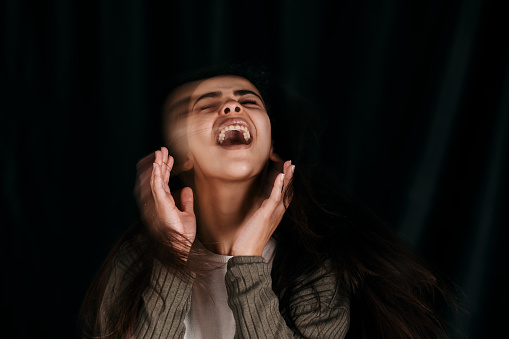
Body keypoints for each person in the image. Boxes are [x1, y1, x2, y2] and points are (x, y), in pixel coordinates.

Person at [80, 63, 456, 338]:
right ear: (180, 154)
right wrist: (174, 253)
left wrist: (246, 263)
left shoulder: (311, 269)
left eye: (247, 100)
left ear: (273, 147)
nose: (231, 107)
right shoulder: (133, 264)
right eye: (205, 104)